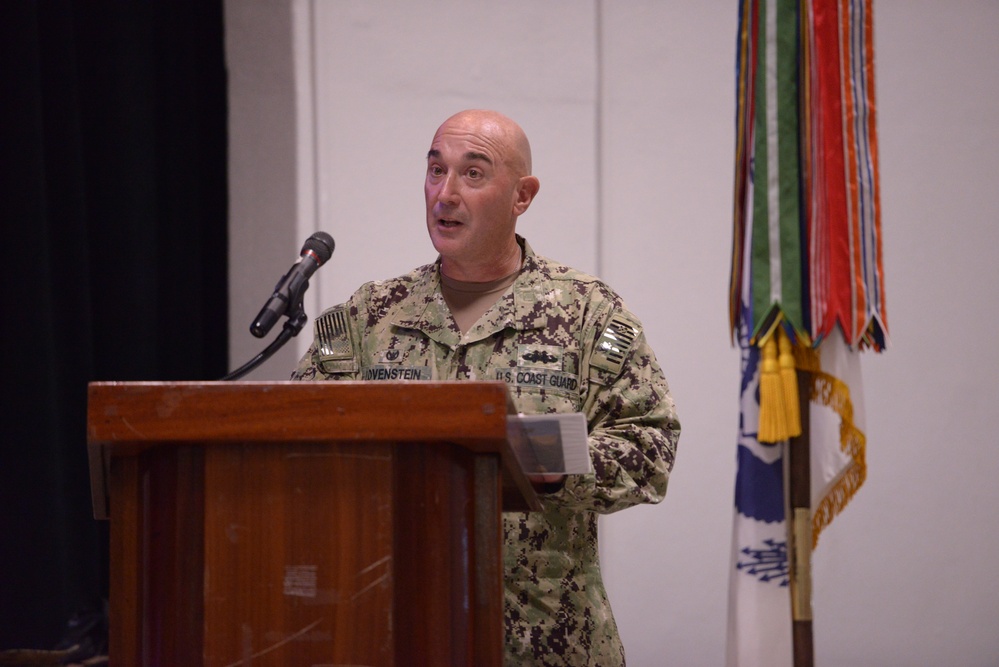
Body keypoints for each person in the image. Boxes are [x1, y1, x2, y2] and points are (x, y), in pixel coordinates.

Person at [292, 109, 680, 666]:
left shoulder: (587, 313)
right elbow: (302, 443)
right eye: (435, 170)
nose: (444, 193)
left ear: (522, 196)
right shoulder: (368, 316)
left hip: (546, 641)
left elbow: (650, 448)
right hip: (397, 634)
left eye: (473, 174)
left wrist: (530, 457)